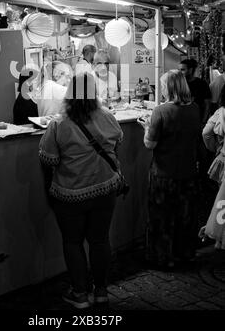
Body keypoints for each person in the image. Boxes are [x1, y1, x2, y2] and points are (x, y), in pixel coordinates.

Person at [39, 72, 123, 309]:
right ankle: (101, 291)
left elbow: (49, 159)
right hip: (105, 187)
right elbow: (117, 145)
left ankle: (79, 294)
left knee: (73, 242)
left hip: (71, 192)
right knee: (99, 240)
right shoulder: (107, 117)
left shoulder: (58, 124)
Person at [140, 70, 201, 269]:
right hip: (188, 172)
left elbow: (150, 144)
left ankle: (163, 258)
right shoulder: (195, 109)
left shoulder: (161, 111)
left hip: (164, 174)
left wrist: (147, 127)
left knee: (162, 219)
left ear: (170, 87)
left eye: (163, 85)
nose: (161, 89)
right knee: (185, 216)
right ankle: (185, 254)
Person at [200, 84, 225, 249]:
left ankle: (220, 238)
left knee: (222, 202)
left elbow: (206, 133)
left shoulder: (221, 112)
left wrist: (215, 148)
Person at [179, 58, 211, 125]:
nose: (180, 72)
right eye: (179, 70)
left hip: (197, 121)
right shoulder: (179, 84)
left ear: (190, 70)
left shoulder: (202, 84)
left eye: (182, 70)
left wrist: (203, 122)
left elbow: (207, 104)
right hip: (182, 121)